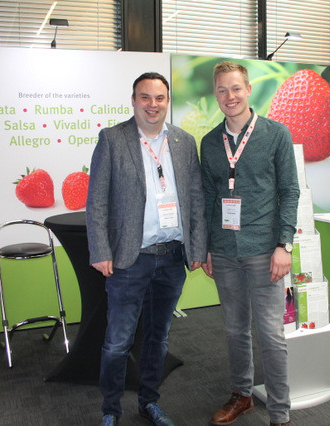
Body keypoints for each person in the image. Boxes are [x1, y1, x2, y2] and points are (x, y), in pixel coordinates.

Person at [86, 72, 208, 426]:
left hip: (171, 256)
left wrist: (197, 247)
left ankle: (149, 403)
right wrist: (100, 250)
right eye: (145, 97)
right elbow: (96, 201)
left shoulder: (184, 142)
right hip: (130, 259)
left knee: (158, 338)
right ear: (134, 100)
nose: (153, 105)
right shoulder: (112, 139)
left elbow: (196, 199)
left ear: (168, 101)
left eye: (159, 98)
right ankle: (110, 410)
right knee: (117, 342)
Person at [200, 61, 300, 426]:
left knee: (271, 335)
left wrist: (284, 245)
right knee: (234, 330)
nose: (230, 96)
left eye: (236, 88)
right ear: (215, 94)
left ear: (249, 90)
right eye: (222, 90)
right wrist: (207, 246)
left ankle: (280, 413)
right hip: (224, 251)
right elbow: (208, 197)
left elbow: (290, 191)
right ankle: (242, 395)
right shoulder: (210, 142)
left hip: (264, 251)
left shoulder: (276, 134)